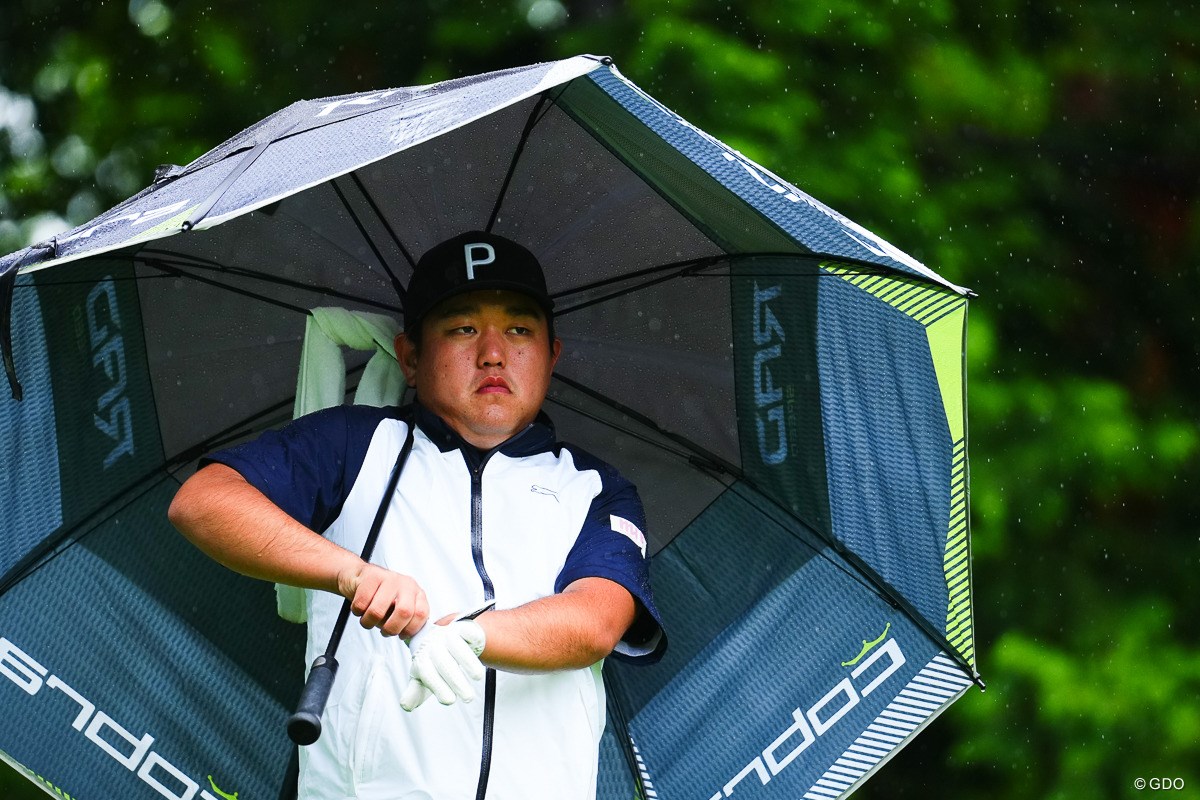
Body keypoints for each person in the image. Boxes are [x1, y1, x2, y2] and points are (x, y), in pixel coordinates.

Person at [168, 230, 665, 800]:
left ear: (551, 355)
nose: (493, 353)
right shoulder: (352, 442)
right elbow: (203, 501)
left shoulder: (596, 489)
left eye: (519, 330)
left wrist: (470, 636)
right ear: (410, 357)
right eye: (463, 329)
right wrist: (353, 574)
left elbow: (595, 621)